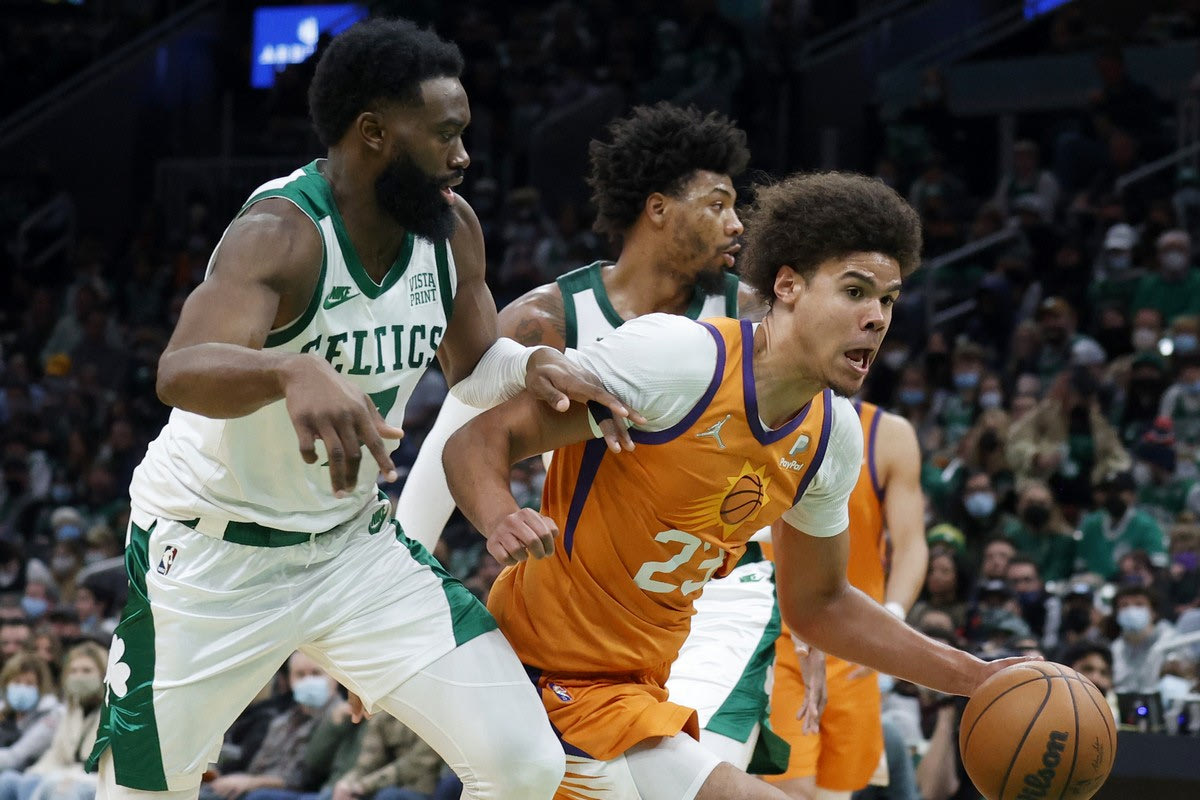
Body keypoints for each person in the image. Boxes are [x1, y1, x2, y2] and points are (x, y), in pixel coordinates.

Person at [85, 18, 637, 800]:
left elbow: (474, 369)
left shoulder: (451, 229)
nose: (463, 156)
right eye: (445, 134)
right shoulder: (280, 232)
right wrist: (288, 368)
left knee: (525, 763)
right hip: (211, 555)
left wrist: (533, 364)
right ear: (374, 132)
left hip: (351, 550)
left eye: (463, 133)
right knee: (142, 794)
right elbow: (180, 372)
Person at [444, 172, 1033, 799]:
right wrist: (501, 514)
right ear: (788, 285)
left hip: (635, 687)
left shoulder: (831, 439)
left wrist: (973, 677)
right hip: (537, 675)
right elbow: (475, 442)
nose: (875, 318)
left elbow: (820, 604)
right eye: (854, 291)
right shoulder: (679, 360)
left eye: (888, 301)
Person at [397, 101, 755, 551]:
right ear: (658, 209)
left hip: (722, 568)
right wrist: (404, 564)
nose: (736, 225)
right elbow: (447, 447)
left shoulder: (751, 316)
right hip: (585, 567)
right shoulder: (547, 320)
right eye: (717, 205)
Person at [763, 402, 927, 800]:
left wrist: (890, 621)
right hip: (775, 635)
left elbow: (911, 546)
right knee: (792, 787)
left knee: (837, 792)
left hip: (852, 637)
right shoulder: (760, 412)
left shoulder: (889, 435)